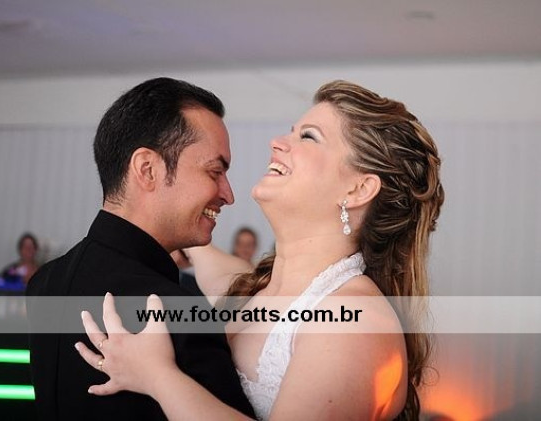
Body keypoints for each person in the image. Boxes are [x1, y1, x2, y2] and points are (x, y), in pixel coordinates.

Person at [75, 80, 444, 420]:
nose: (277, 142)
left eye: (308, 136)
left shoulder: (356, 321)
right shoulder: (255, 289)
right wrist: (176, 223)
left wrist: (157, 376)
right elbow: (220, 271)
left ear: (358, 189)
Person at [26, 78, 255, 420]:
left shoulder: (45, 281)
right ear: (147, 169)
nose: (228, 194)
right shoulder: (171, 310)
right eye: (215, 171)